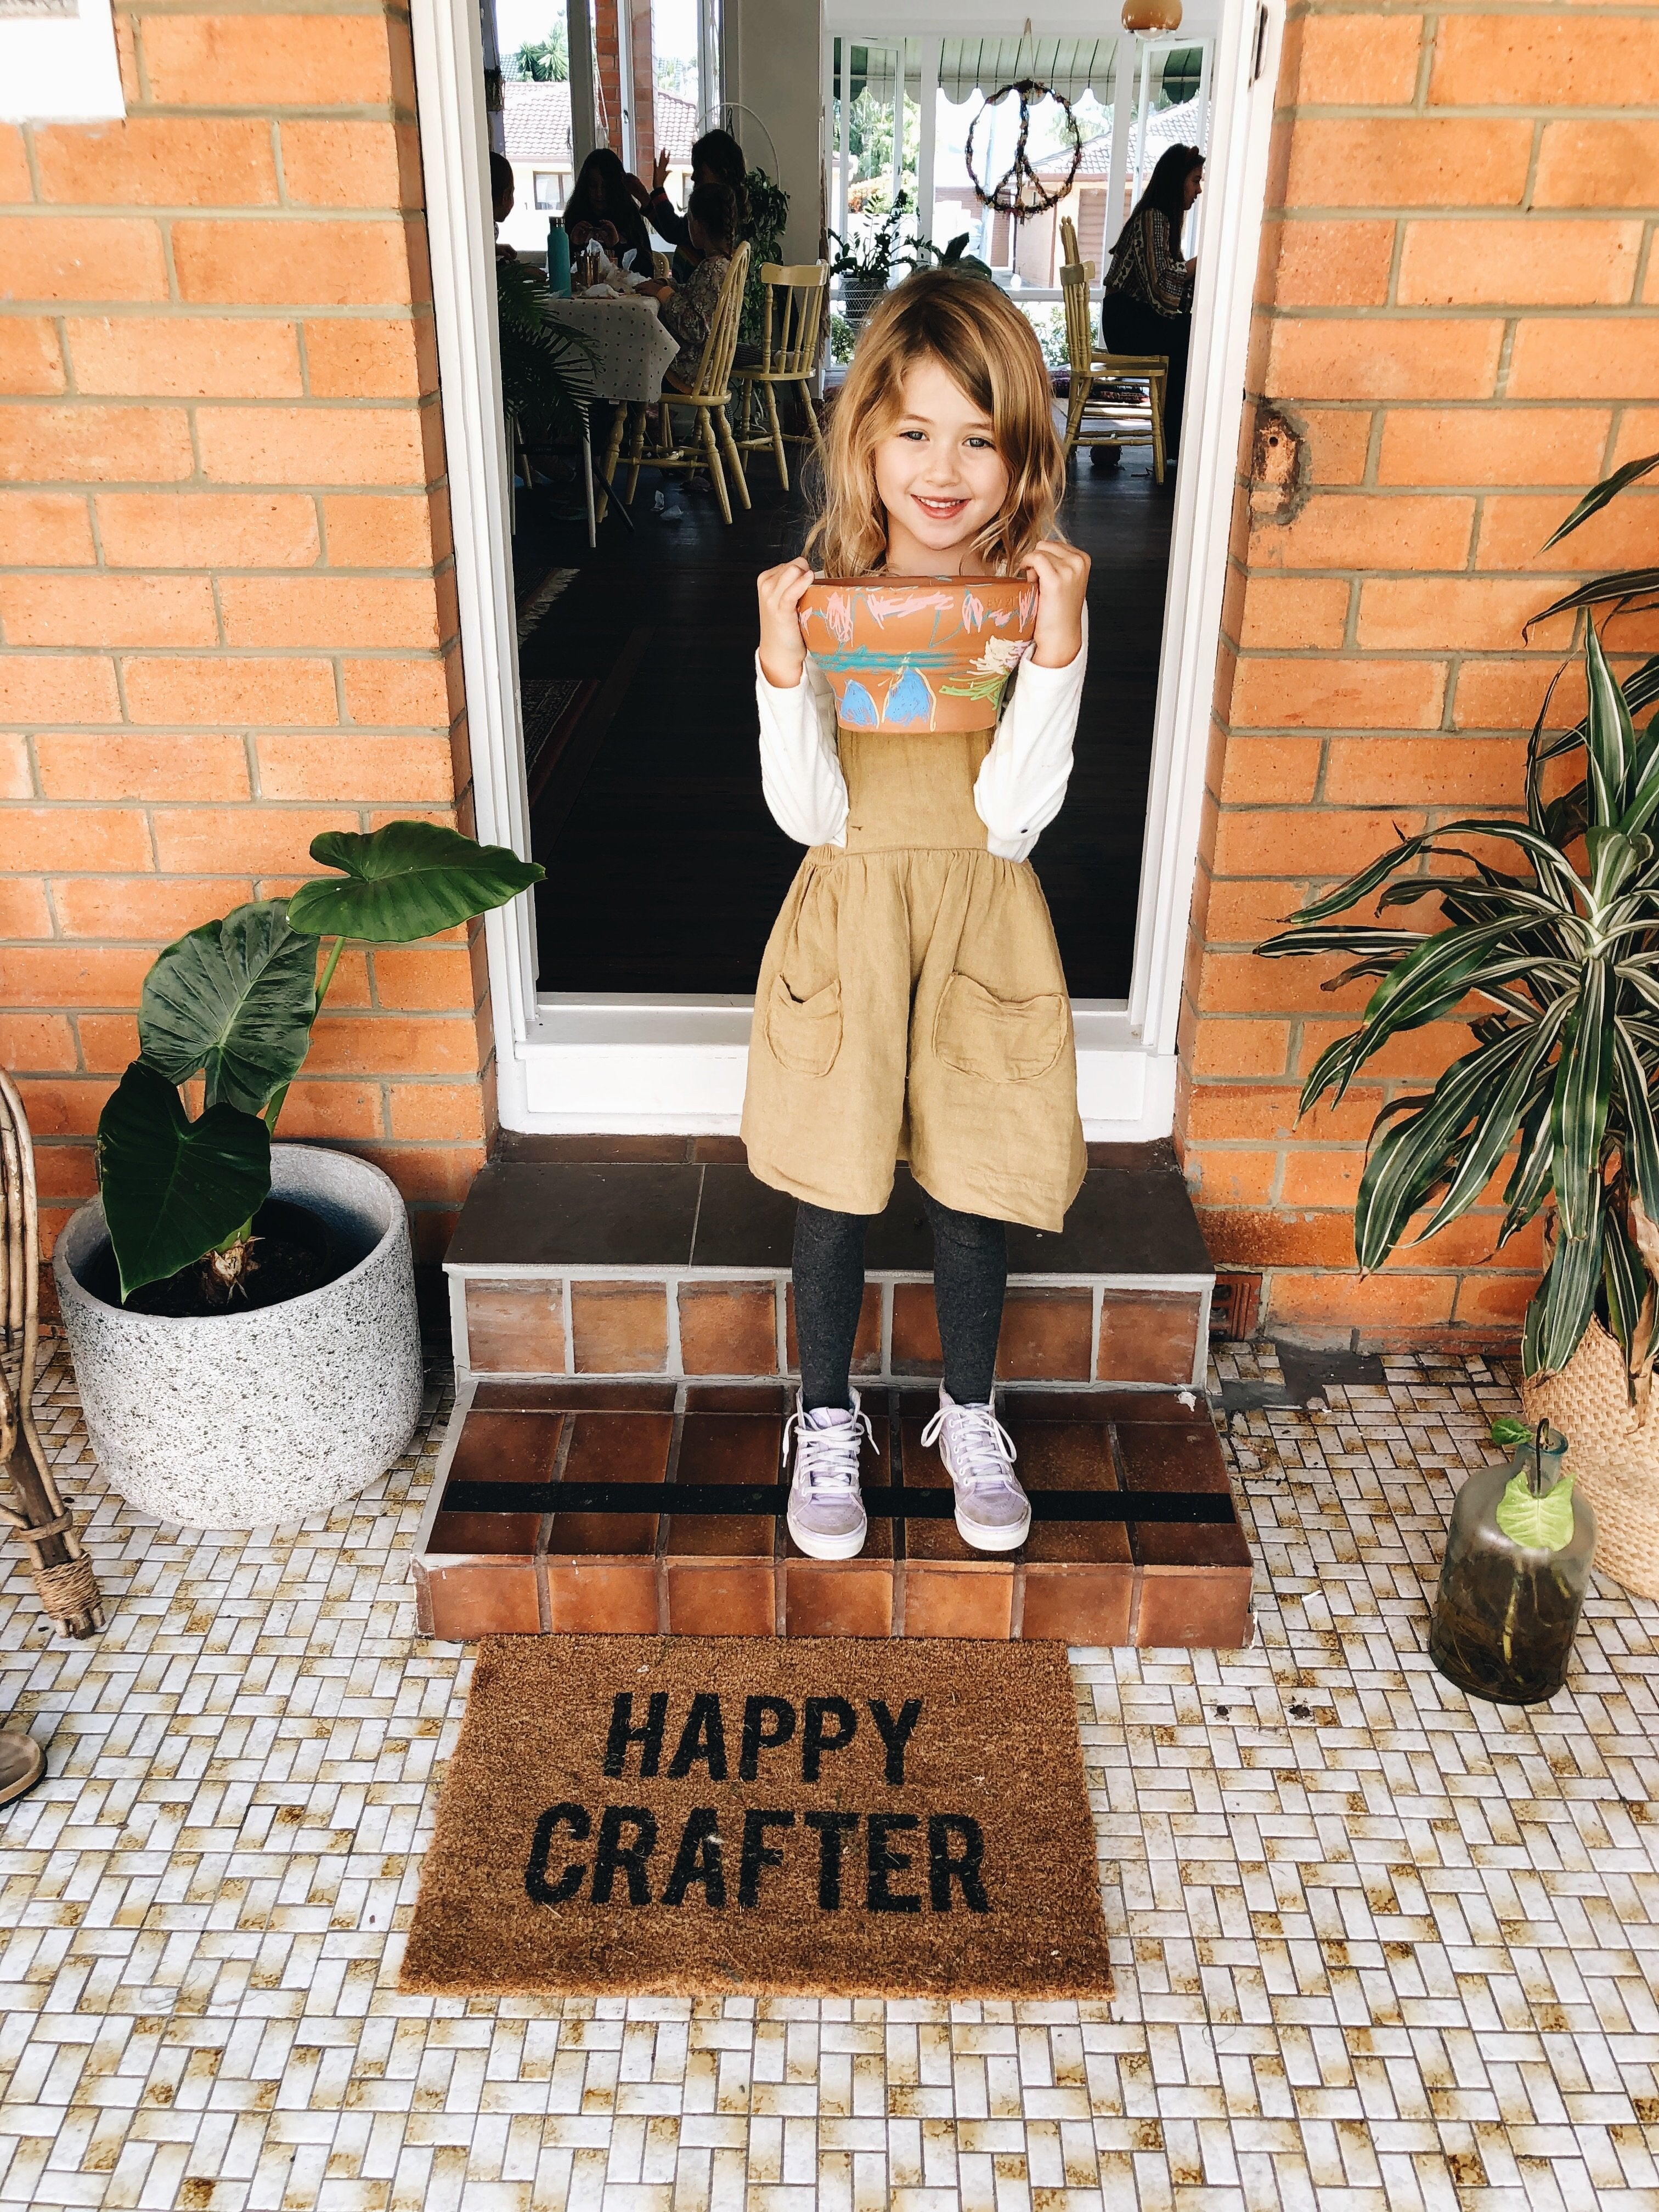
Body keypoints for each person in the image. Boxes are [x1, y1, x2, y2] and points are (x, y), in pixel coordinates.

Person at [743, 271, 1091, 1564]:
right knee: (835, 1180)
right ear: (866, 444)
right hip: (851, 909)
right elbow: (807, 814)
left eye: (980, 438)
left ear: (1021, 458)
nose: (944, 472)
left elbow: (1013, 820)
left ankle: (968, 1412)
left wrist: (1055, 653)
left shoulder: (1028, 611)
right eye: (915, 433)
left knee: (971, 1179)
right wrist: (786, 668)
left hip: (982, 914)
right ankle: (824, 1415)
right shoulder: (825, 603)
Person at [1099, 144, 1203, 469]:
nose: (1199, 190)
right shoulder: (1153, 218)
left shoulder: (1161, 220)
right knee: (1190, 339)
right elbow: (1162, 283)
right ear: (1177, 182)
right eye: (1195, 181)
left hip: (1131, 319)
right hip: (1126, 323)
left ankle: (1176, 441)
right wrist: (1202, 262)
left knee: (1188, 335)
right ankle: (1179, 442)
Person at [638, 180, 736, 391]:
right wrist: (667, 285)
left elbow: (697, 328)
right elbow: (696, 297)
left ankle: (626, 419)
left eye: (689, 219)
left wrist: (664, 294)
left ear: (698, 226)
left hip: (692, 372)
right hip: (710, 369)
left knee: (636, 360)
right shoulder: (723, 265)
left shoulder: (711, 270)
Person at [630, 127, 747, 281]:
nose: (693, 178)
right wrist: (646, 199)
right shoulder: (728, 204)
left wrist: (658, 189)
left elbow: (676, 231)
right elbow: (677, 231)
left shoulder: (718, 210)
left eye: (699, 171)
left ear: (722, 172)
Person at [563, 146, 654, 272]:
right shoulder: (573, 217)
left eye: (606, 187)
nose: (599, 194)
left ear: (616, 187)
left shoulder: (630, 217)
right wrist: (572, 246)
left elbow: (647, 271)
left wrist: (617, 247)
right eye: (593, 186)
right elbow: (559, 274)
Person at [490, 151, 518, 262]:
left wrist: (495, 249)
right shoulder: (485, 230)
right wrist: (520, 272)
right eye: (512, 194)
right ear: (505, 197)